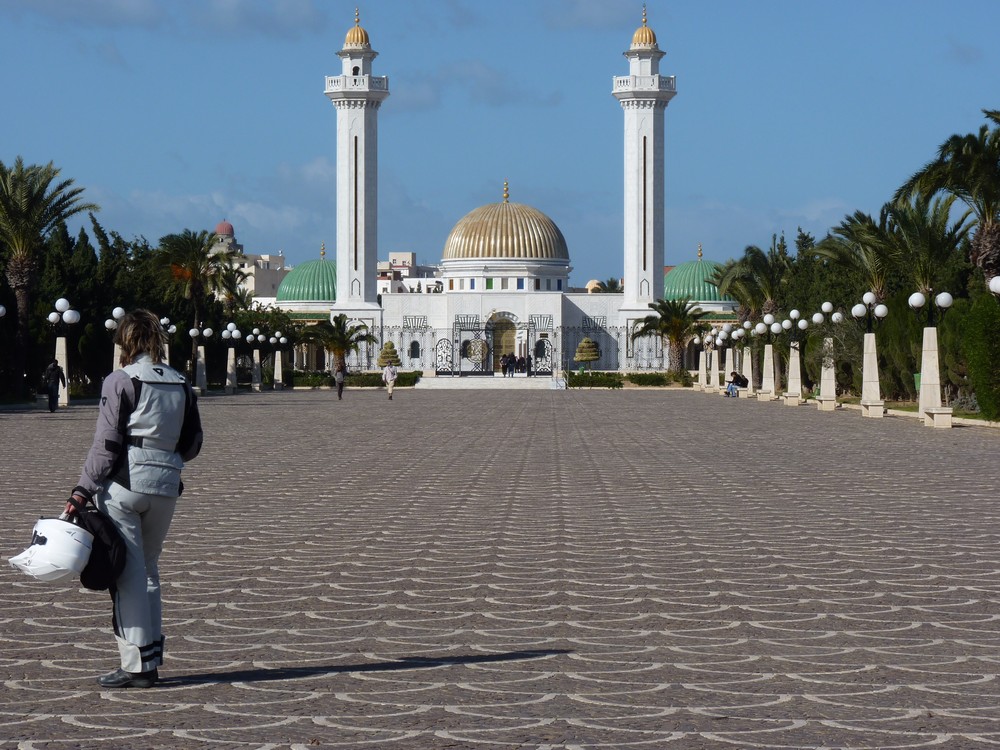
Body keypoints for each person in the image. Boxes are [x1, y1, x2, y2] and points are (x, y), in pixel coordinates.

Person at [64, 309, 202, 689]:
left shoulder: (121, 380)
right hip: (166, 485)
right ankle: (151, 656)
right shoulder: (180, 381)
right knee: (149, 570)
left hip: (126, 486)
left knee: (128, 575)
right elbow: (194, 443)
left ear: (125, 341)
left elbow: (106, 445)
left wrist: (81, 490)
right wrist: (165, 456)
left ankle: (136, 665)